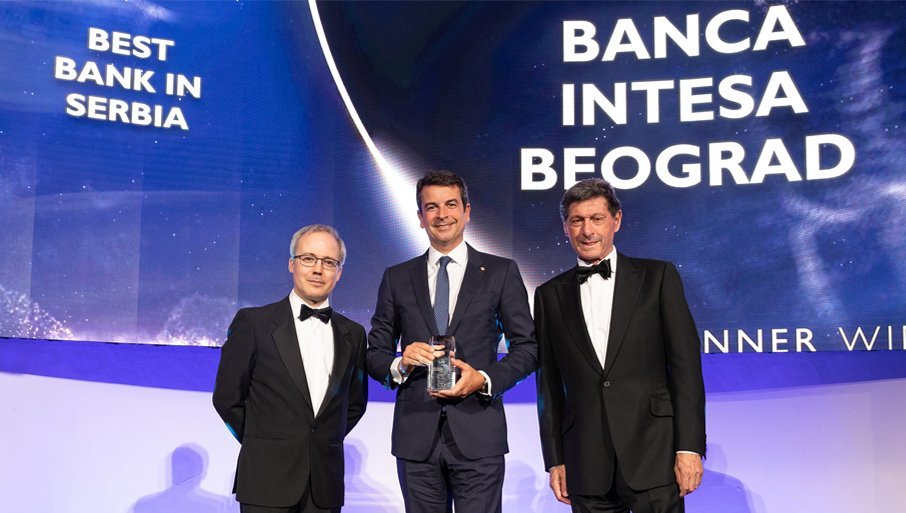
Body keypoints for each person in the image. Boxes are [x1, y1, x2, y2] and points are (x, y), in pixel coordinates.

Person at [366, 170, 538, 513]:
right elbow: (374, 353)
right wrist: (400, 363)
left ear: (467, 211)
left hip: (479, 433)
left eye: (451, 204)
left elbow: (528, 348)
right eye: (431, 207)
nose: (442, 214)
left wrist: (484, 379)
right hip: (416, 437)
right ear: (420, 217)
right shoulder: (397, 277)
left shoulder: (501, 271)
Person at [535, 178, 706, 513]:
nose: (587, 230)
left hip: (655, 455)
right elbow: (549, 386)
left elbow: (686, 368)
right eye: (577, 221)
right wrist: (555, 459)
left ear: (616, 220)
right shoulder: (548, 295)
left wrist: (688, 447)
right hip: (585, 462)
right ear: (565, 228)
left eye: (596, 219)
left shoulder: (658, 277)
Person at [213, 224, 368, 513]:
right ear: (292, 264)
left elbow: (355, 404)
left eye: (329, 262)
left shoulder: (354, 334)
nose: (318, 269)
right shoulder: (254, 323)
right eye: (308, 259)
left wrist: (319, 443)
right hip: (265, 481)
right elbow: (226, 397)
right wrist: (264, 441)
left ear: (339, 272)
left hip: (324, 486)